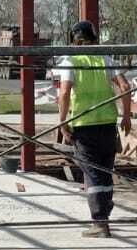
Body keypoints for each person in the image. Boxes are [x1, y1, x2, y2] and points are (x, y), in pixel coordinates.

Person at [53, 20, 132, 237]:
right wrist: (126, 116)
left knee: (93, 174)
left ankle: (99, 222)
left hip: (85, 126)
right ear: (94, 38)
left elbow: (65, 93)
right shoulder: (105, 58)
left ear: (75, 41)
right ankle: (104, 215)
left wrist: (62, 122)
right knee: (105, 172)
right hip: (108, 125)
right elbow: (125, 86)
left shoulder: (71, 61)